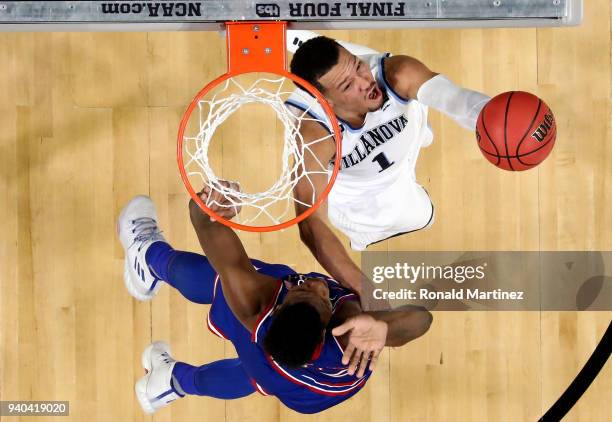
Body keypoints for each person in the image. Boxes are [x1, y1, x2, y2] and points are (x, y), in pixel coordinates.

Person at [117, 186, 432, 415]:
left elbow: (214, 241)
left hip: (305, 387)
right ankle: (170, 383)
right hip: (303, 378)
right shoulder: (358, 331)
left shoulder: (256, 305)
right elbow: (422, 319)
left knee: (223, 283)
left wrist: (205, 212)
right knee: (253, 373)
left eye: (315, 293)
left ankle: (148, 260)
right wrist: (383, 326)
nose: (315, 283)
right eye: (313, 290)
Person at [284, 33, 491, 294]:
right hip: (356, 192)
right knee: (416, 216)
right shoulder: (314, 134)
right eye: (348, 86)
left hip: (403, 142)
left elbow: (457, 100)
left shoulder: (395, 74)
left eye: (359, 65)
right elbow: (311, 224)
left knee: (411, 104)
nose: (365, 82)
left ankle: (297, 40)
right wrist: (368, 292)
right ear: (325, 102)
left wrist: (495, 113)